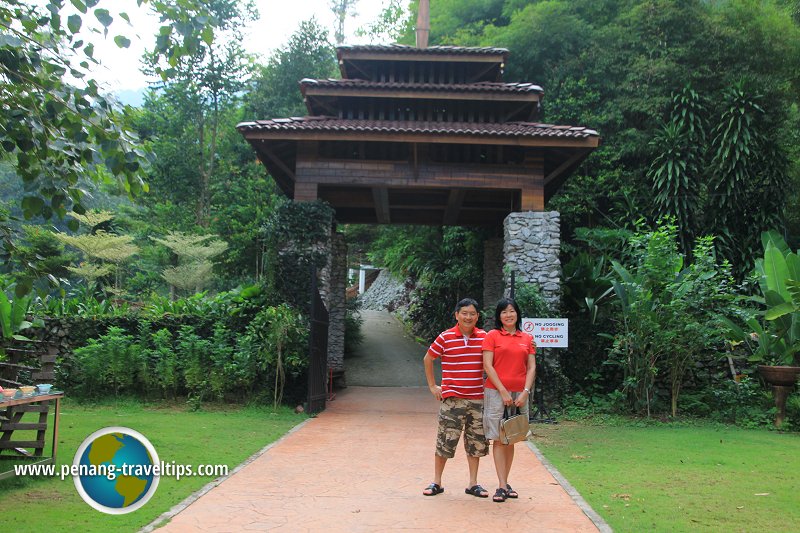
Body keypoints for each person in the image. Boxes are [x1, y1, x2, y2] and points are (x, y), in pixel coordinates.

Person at [422, 297, 490, 498]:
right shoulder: (445, 337)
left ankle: (473, 483)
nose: (468, 317)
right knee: (445, 440)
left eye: (472, 314)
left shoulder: (485, 337)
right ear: (456, 315)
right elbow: (428, 358)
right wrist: (433, 386)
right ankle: (437, 482)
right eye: (464, 313)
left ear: (477, 316)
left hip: (477, 399)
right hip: (452, 400)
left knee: (476, 442)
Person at [482, 297, 536, 503]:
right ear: (499, 316)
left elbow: (531, 367)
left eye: (512, 311)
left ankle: (506, 482)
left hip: (519, 394)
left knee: (511, 437)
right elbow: (488, 365)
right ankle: (501, 485)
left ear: (517, 314)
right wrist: (503, 391)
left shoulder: (527, 338)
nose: (508, 315)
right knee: (498, 437)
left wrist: (525, 392)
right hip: (496, 393)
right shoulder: (492, 336)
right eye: (504, 312)